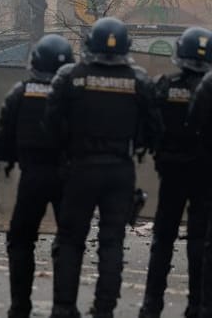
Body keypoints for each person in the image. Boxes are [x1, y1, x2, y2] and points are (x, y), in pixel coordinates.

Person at [44, 17, 162, 318]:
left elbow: (51, 123)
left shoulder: (70, 76)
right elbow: (155, 128)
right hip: (120, 169)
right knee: (112, 242)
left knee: (70, 240)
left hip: (80, 167)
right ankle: (105, 308)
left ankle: (64, 307)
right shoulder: (138, 80)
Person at [0, 34, 74, 318]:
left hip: (33, 176)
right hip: (68, 176)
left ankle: (20, 306)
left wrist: (7, 159)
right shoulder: (73, 93)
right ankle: (64, 307)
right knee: (69, 241)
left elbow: (4, 135)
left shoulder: (20, 92)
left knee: (21, 239)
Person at [147, 27, 212, 317]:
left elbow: (150, 125)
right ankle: (196, 306)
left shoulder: (164, 84)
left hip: (171, 172)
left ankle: (152, 306)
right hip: (204, 172)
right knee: (199, 240)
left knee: (163, 239)